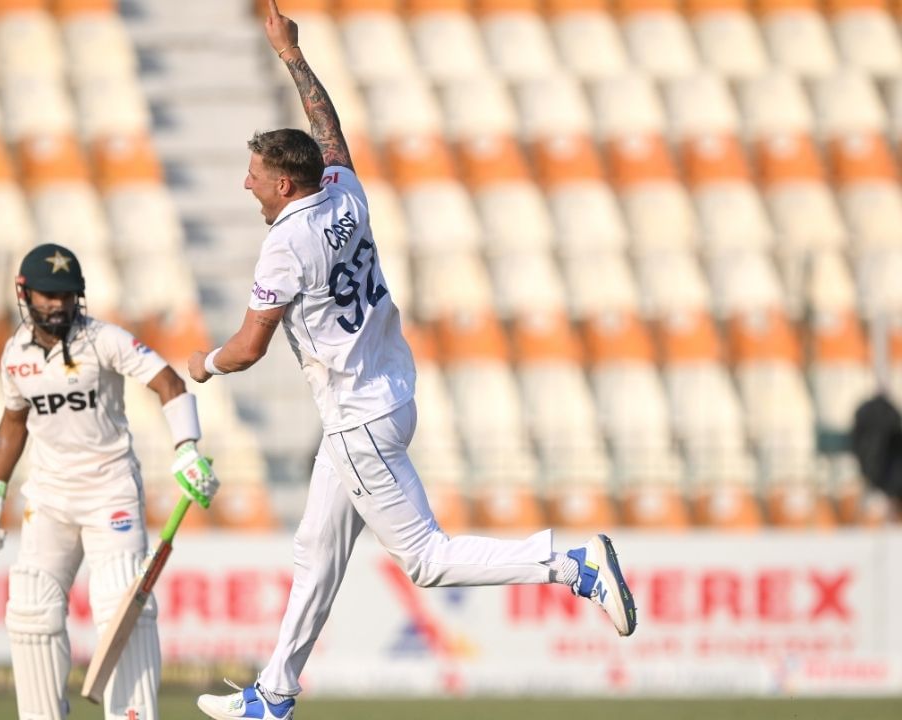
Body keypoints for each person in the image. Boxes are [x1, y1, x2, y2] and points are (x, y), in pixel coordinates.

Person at [188, 4, 637, 719]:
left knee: (426, 559)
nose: (245, 185)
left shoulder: (284, 244)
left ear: (281, 185)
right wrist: (291, 55)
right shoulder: (345, 191)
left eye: (253, 176)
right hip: (386, 393)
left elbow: (249, 348)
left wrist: (204, 364)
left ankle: (573, 565)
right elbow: (327, 127)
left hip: (359, 416)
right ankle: (274, 695)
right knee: (317, 550)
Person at [0, 243, 219, 720]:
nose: (57, 304)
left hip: (111, 493)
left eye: (66, 295)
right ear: (25, 294)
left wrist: (185, 447)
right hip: (50, 496)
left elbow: (169, 382)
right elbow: (14, 421)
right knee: (31, 610)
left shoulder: (103, 339)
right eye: (47, 295)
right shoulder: (14, 355)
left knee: (121, 605)